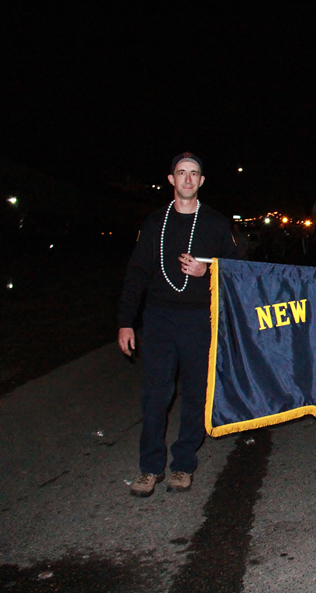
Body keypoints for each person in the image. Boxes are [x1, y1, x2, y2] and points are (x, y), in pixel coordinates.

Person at [118, 153, 237, 497]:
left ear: (201, 181)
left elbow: (237, 271)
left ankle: (183, 463)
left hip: (199, 318)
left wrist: (208, 270)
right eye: (181, 173)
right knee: (156, 393)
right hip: (158, 317)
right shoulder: (155, 222)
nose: (187, 179)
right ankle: (150, 467)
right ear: (171, 179)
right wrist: (126, 321)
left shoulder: (216, 223)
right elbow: (136, 273)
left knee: (196, 392)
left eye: (194, 174)